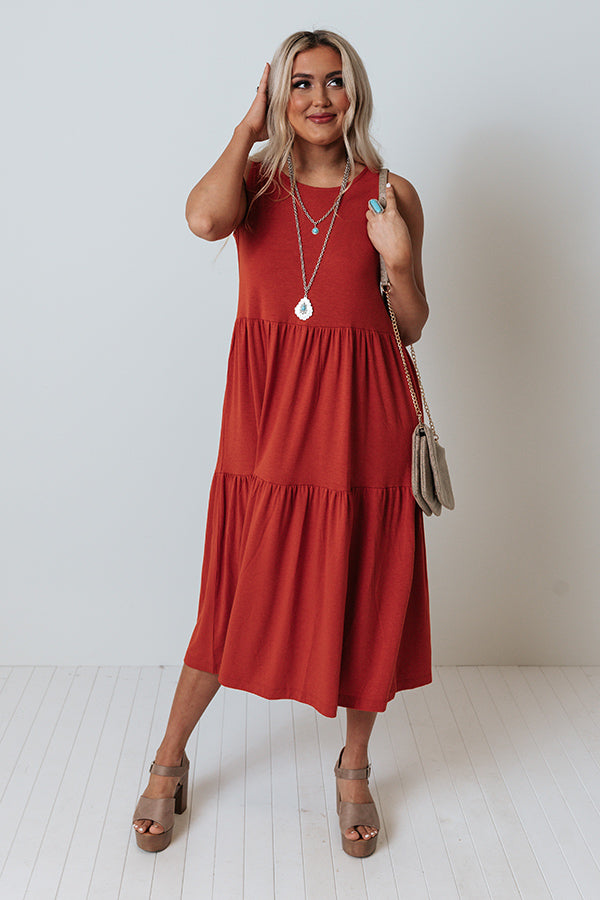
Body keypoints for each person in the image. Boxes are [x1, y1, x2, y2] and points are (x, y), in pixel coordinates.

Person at [132, 28, 431, 859]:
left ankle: (354, 766)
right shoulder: (256, 184)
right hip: (266, 415)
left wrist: (399, 261)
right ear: (278, 97)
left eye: (335, 81)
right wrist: (246, 128)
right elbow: (202, 219)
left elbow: (411, 324)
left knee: (366, 586)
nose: (320, 98)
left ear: (355, 93)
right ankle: (169, 757)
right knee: (233, 589)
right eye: (301, 83)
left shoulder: (390, 193)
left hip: (364, 415)